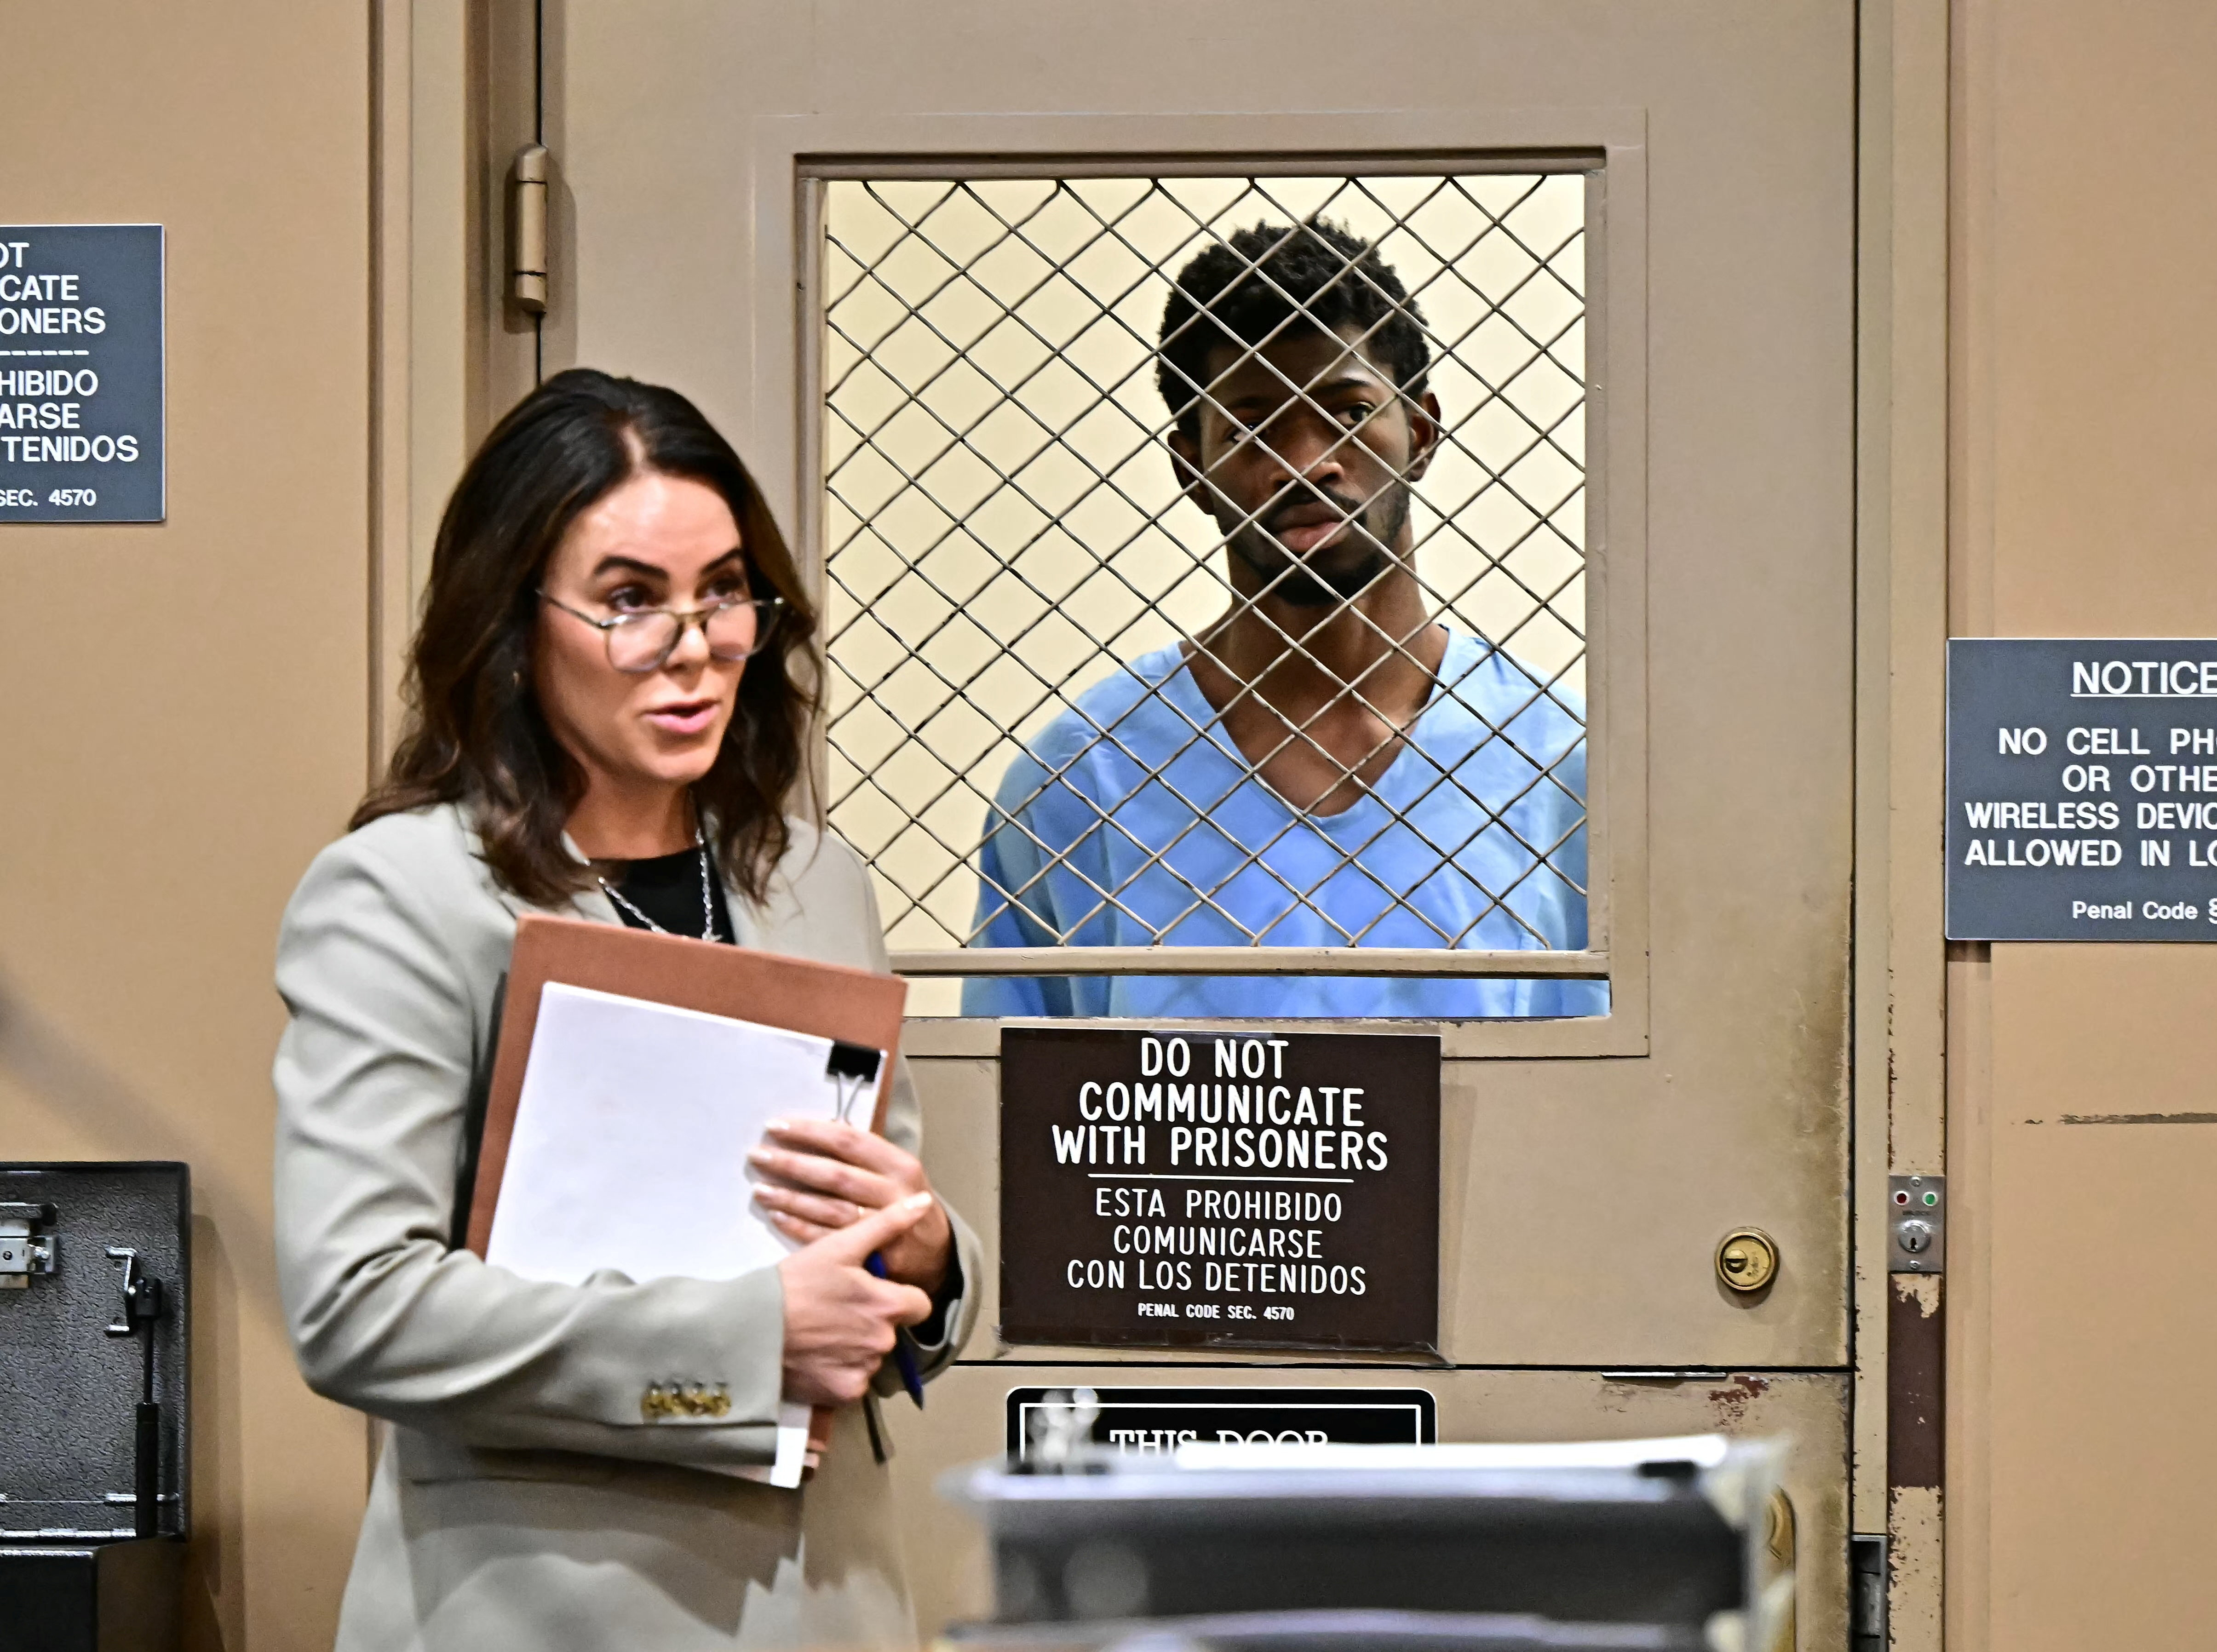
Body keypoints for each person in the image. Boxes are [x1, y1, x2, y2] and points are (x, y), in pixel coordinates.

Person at [272, 369, 980, 1650]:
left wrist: (927, 1256)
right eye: (629, 602)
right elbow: (360, 1306)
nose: (696, 644)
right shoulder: (406, 894)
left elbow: (876, 1220)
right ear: (514, 622)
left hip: (828, 1606)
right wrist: (750, 1338)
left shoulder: (814, 879)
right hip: (539, 1611)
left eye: (724, 591)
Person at [963, 218, 1604, 1019]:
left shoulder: (1556, 764)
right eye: (1253, 425)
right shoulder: (1084, 778)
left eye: (1345, 411)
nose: (1306, 462)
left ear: (1421, 434)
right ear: (1190, 467)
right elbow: (1013, 1105)